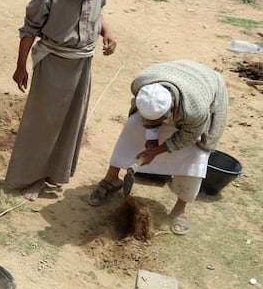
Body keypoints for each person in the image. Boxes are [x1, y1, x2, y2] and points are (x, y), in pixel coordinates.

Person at [4, 0, 116, 200]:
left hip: (82, 64)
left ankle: (54, 174)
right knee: (43, 124)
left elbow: (98, 13)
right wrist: (20, 66)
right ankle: (31, 178)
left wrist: (106, 32)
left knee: (70, 122)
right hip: (53, 64)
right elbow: (29, 30)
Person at [87, 60, 228, 234]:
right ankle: (112, 180)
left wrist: (156, 150)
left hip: (205, 89)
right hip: (175, 76)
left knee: (197, 152)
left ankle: (180, 207)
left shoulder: (195, 111)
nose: (153, 124)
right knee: (132, 127)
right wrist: (151, 138)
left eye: (158, 120)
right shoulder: (141, 84)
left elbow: (188, 136)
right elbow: (148, 117)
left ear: (172, 108)